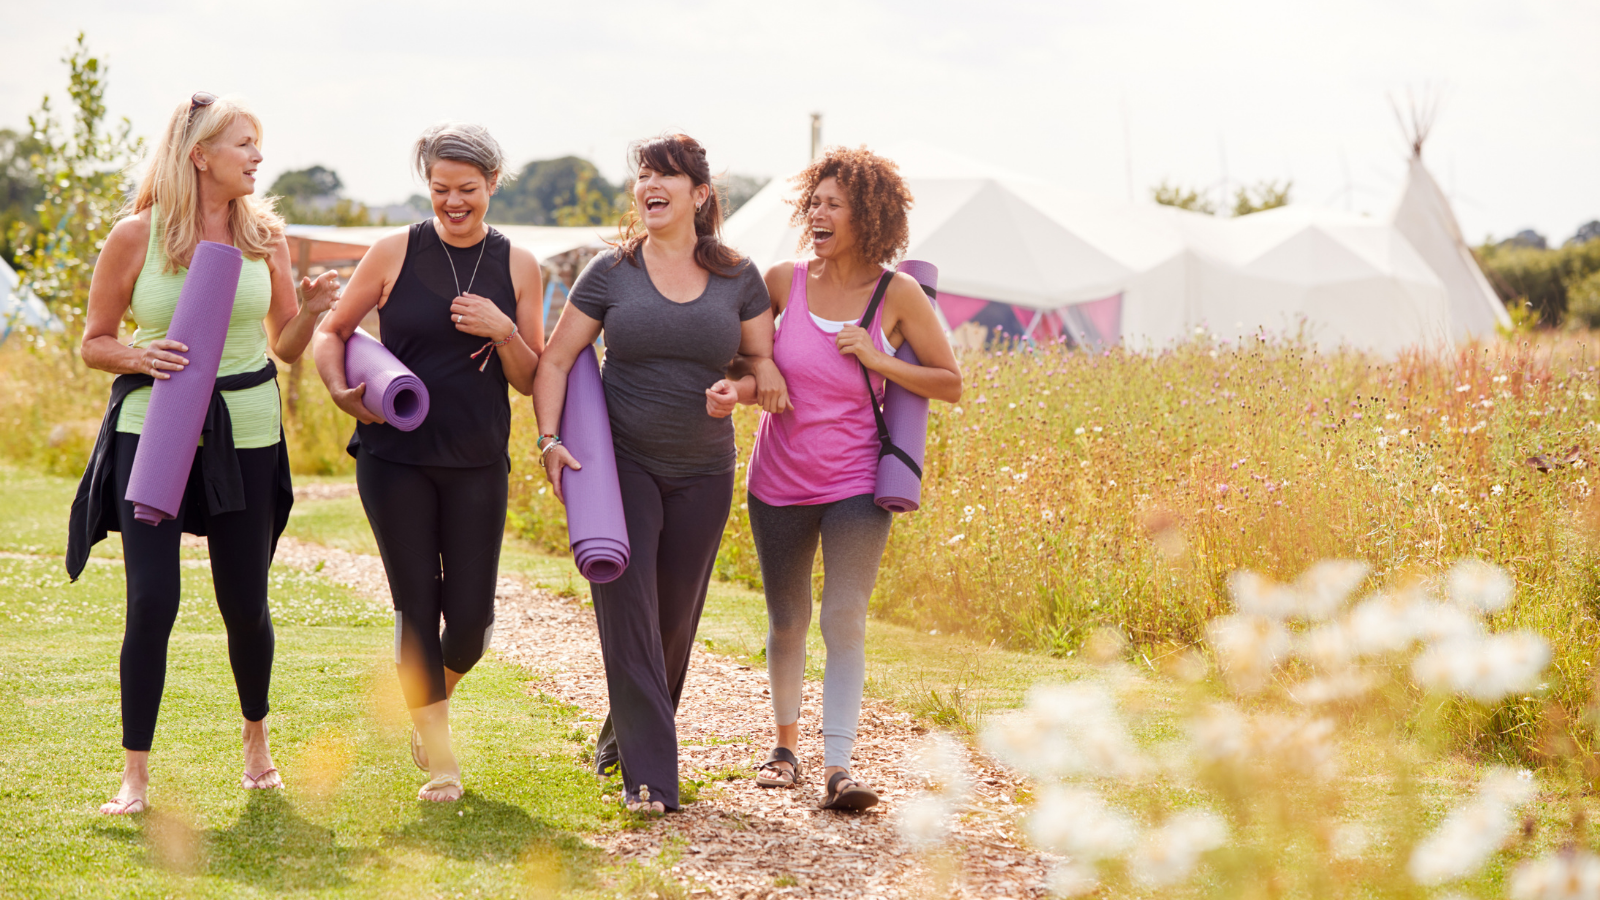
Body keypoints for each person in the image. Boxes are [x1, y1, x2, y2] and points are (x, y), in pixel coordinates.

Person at [70, 93, 341, 815]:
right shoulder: (137, 236)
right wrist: (138, 352)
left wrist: (311, 313)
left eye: (258, 144)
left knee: (245, 604)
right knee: (152, 602)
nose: (257, 157)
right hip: (152, 432)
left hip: (247, 429)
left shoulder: (267, 238)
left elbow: (285, 348)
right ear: (201, 156)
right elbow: (95, 341)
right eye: (244, 144)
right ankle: (135, 775)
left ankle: (256, 743)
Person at [533, 133, 783, 815]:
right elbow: (555, 361)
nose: (649, 184)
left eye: (664, 174)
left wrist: (742, 391)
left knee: (674, 619)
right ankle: (651, 779)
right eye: (642, 173)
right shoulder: (610, 273)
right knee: (629, 608)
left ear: (699, 194)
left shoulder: (739, 275)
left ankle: (623, 735)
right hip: (623, 464)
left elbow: (764, 367)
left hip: (705, 469)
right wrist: (549, 439)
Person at [312, 122, 544, 803]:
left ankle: (425, 704)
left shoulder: (521, 265)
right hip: (395, 457)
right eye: (441, 189)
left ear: (493, 184)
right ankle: (442, 762)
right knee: (417, 607)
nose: (453, 203)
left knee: (469, 624)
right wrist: (338, 391)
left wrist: (503, 331)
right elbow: (334, 330)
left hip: (478, 460)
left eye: (467, 190)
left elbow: (531, 379)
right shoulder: (392, 251)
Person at [738, 146, 961, 810]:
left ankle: (839, 766)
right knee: (788, 618)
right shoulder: (782, 283)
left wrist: (879, 359)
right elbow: (743, 362)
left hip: (857, 484)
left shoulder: (899, 295)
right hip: (777, 479)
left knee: (843, 617)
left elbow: (950, 382)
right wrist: (759, 380)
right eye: (815, 202)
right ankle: (784, 749)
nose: (819, 213)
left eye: (834, 203)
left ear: (869, 215)